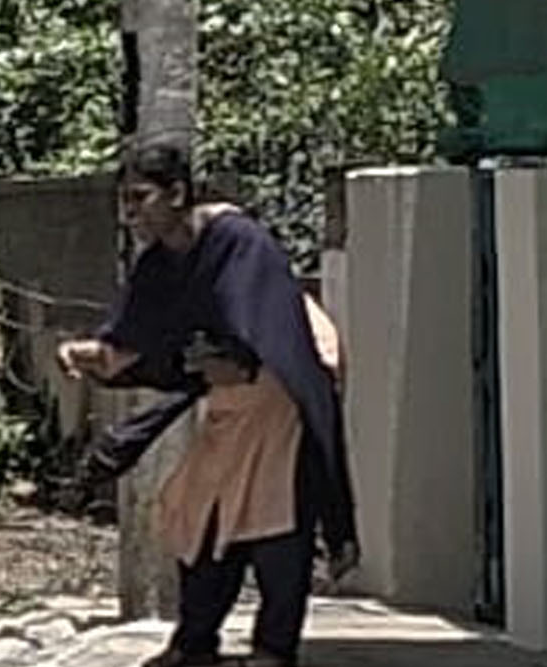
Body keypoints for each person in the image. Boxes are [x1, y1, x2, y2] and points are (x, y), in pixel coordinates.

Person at [59, 143, 361, 602]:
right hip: (231, 395)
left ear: (177, 193)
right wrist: (85, 354)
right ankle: (195, 641)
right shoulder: (160, 263)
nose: (130, 214)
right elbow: (130, 344)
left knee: (269, 514)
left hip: (281, 387)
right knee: (195, 508)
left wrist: (227, 361)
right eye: (125, 202)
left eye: (140, 199)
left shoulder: (239, 242)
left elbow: (266, 332)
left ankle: (272, 645)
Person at [144, 326, 315, 667]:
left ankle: (274, 648)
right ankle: (194, 643)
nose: (203, 372)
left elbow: (325, 362)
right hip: (217, 470)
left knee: (279, 559)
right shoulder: (217, 385)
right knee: (202, 552)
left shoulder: (285, 367)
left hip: (276, 465)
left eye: (210, 362)